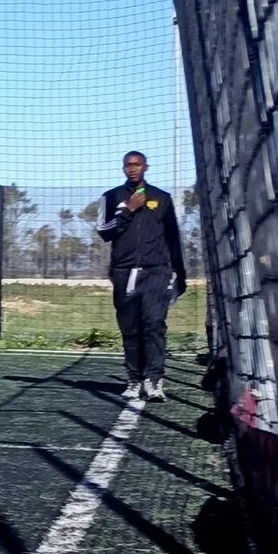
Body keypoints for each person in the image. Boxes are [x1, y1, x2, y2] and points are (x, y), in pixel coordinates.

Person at [97, 148, 187, 403]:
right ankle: (134, 379)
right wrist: (127, 210)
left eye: (137, 164)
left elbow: (173, 239)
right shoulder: (111, 196)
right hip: (124, 273)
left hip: (157, 271)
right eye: (128, 165)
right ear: (123, 168)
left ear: (146, 167)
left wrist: (179, 275)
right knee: (130, 329)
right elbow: (104, 232)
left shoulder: (162, 198)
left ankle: (155, 380)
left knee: (154, 324)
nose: (132, 168)